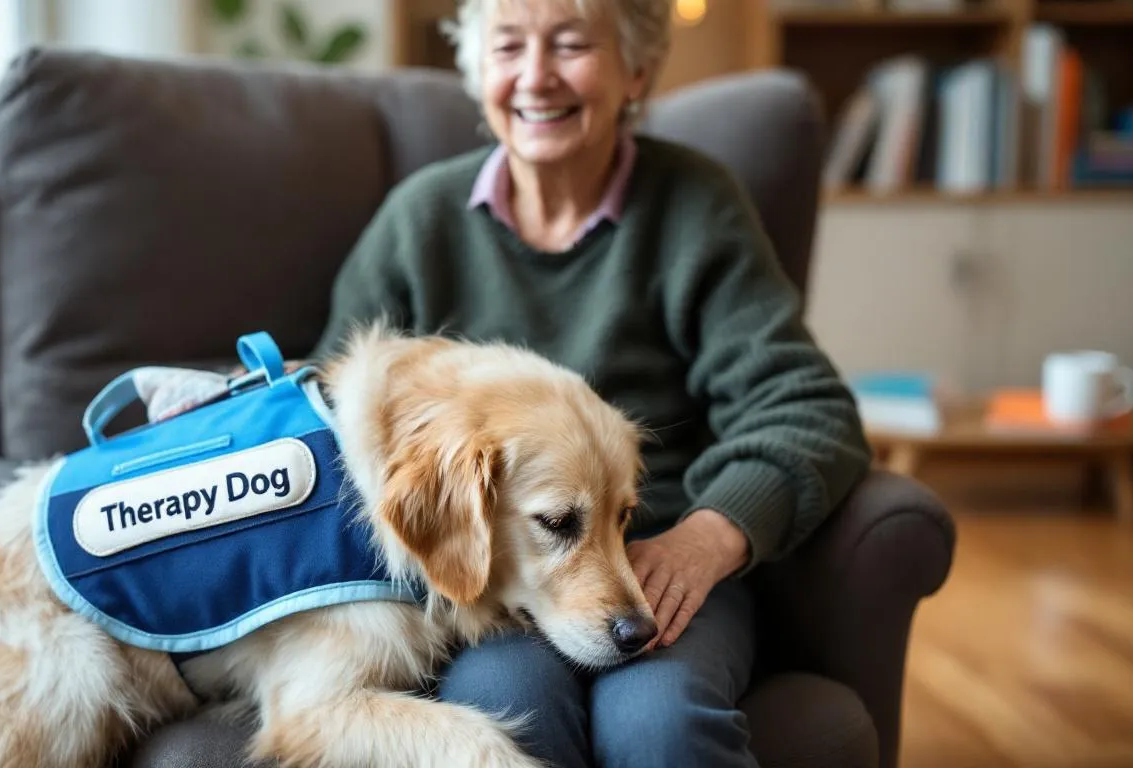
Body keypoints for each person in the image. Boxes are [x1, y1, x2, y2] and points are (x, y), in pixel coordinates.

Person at [150, 0, 871, 764]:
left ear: (636, 69)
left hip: (658, 558)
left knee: (660, 722)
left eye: (568, 43)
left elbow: (808, 409)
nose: (535, 76)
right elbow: (333, 429)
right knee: (503, 708)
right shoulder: (421, 218)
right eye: (508, 46)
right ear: (478, 70)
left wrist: (704, 539)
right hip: (487, 586)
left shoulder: (697, 209)